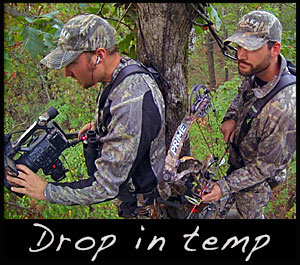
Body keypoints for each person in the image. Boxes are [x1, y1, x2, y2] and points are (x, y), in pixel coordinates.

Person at [6, 14, 166, 218]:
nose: (66, 72)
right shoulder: (119, 75)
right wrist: (104, 127)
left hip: (145, 209)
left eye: (71, 62)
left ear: (98, 56)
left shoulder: (131, 101)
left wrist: (45, 190)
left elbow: (105, 186)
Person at [201, 10, 296, 219]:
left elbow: (265, 168)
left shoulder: (285, 109)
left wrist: (223, 187)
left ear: (275, 49)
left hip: (257, 182)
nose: (241, 55)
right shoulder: (256, 70)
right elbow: (243, 92)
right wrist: (232, 116)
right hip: (239, 160)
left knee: (248, 214)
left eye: (251, 48)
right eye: (239, 46)